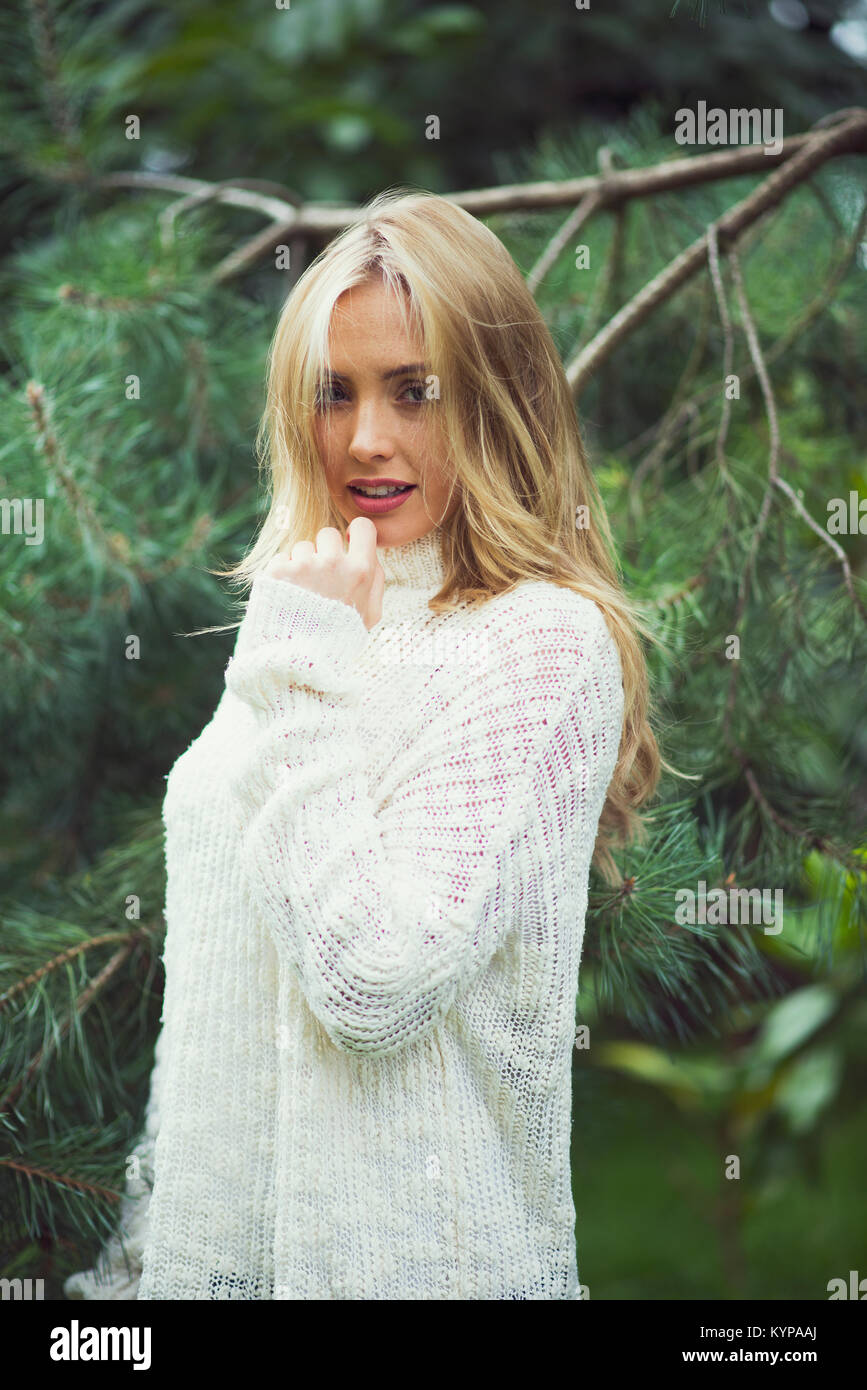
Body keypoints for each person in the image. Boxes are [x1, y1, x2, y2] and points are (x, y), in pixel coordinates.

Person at [64, 187, 662, 1301]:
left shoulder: (542, 644)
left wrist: (306, 661)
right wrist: (145, 1274)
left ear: (496, 401)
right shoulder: (314, 608)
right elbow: (215, 1007)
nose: (367, 438)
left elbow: (373, 983)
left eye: (414, 391)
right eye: (334, 393)